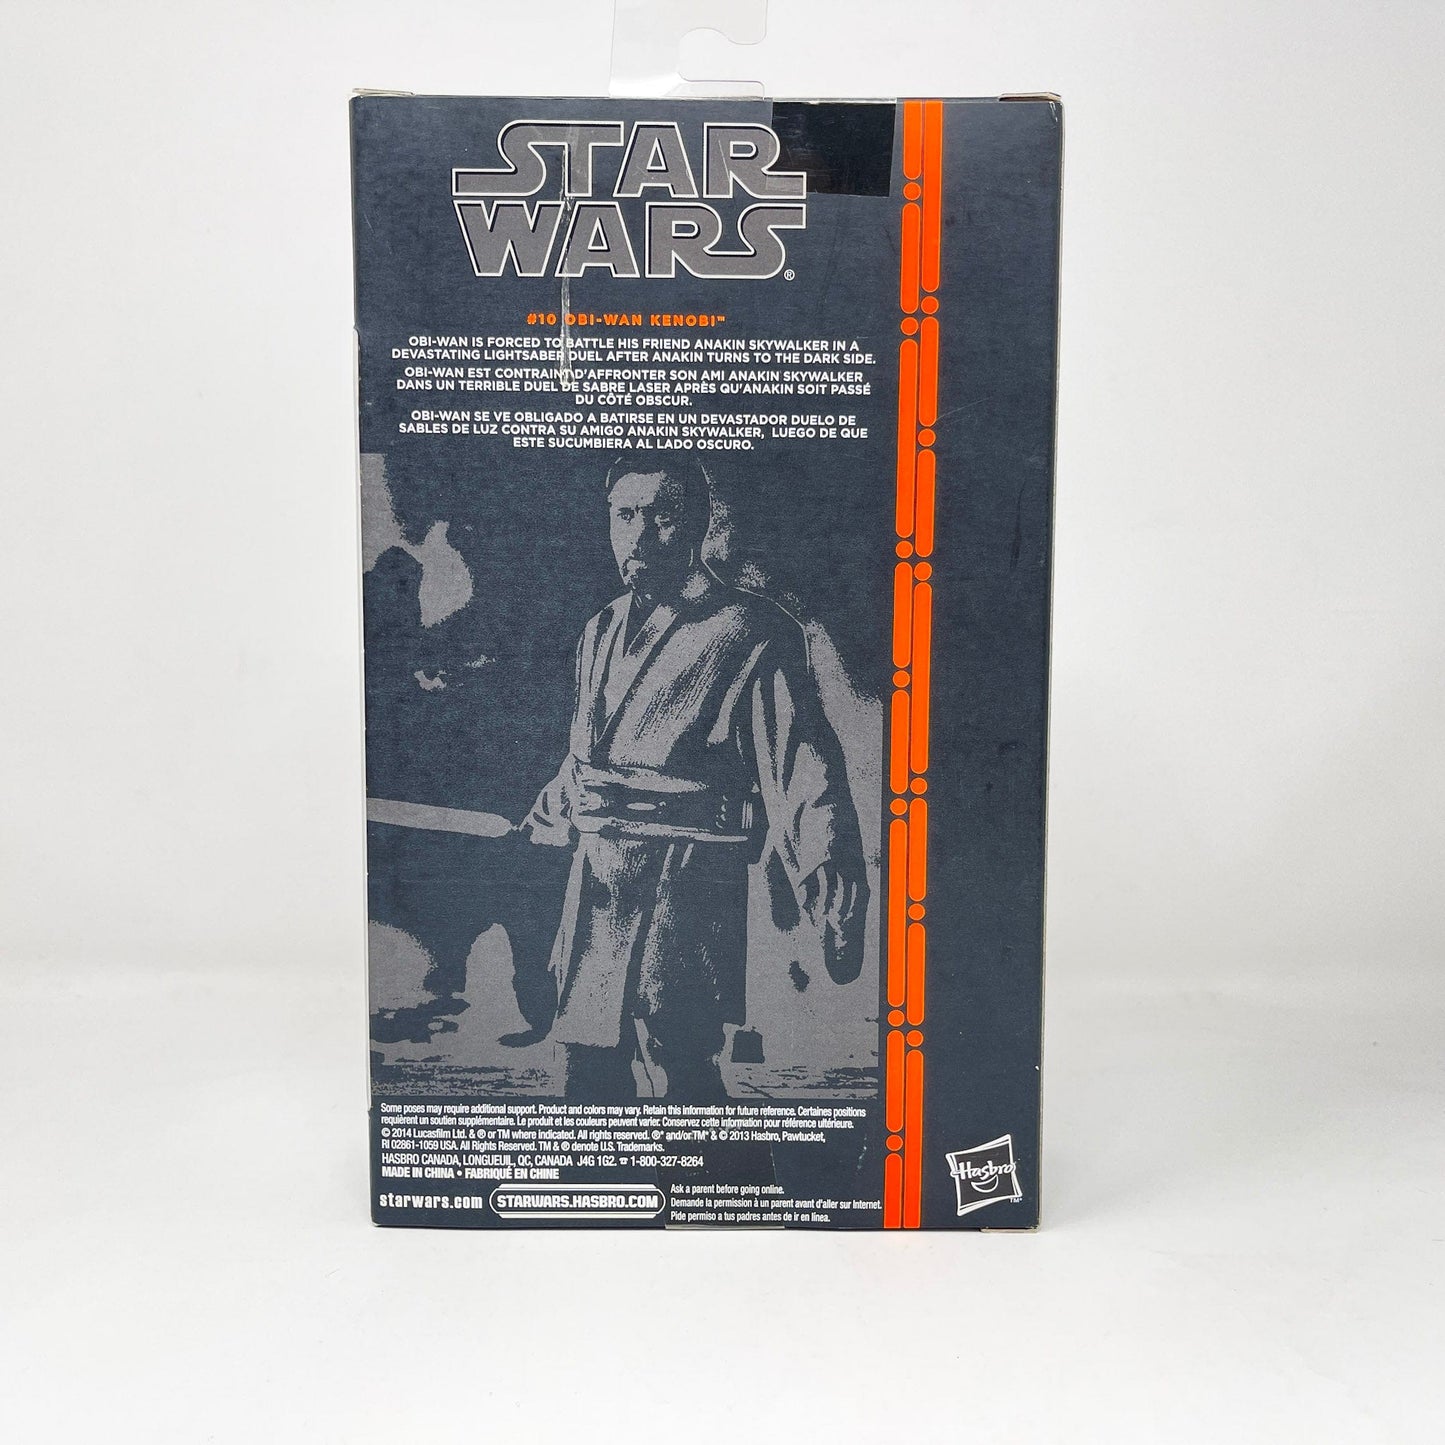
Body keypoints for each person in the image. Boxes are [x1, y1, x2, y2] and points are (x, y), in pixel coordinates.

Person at [521, 453, 868, 1100]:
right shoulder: (599, 628)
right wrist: (548, 814)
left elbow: (802, 768)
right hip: (597, 884)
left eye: (662, 516)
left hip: (686, 884)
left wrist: (832, 886)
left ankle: (715, 1164)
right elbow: (587, 754)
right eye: (624, 516)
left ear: (698, 524)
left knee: (681, 1059)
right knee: (585, 1067)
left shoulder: (753, 629)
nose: (639, 534)